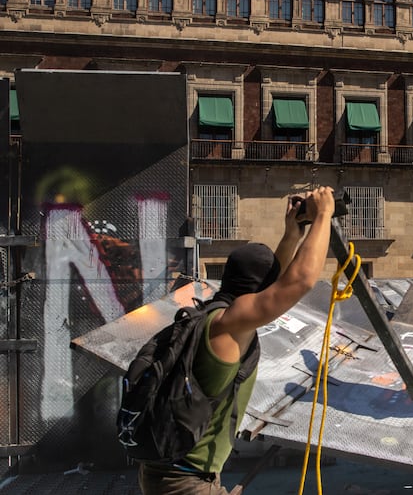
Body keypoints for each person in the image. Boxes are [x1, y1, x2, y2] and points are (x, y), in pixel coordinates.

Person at [138, 186, 335, 495]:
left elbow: (271, 281)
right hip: (185, 484)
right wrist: (324, 215)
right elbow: (299, 280)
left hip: (174, 474)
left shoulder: (213, 313)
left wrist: (292, 233)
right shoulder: (231, 324)